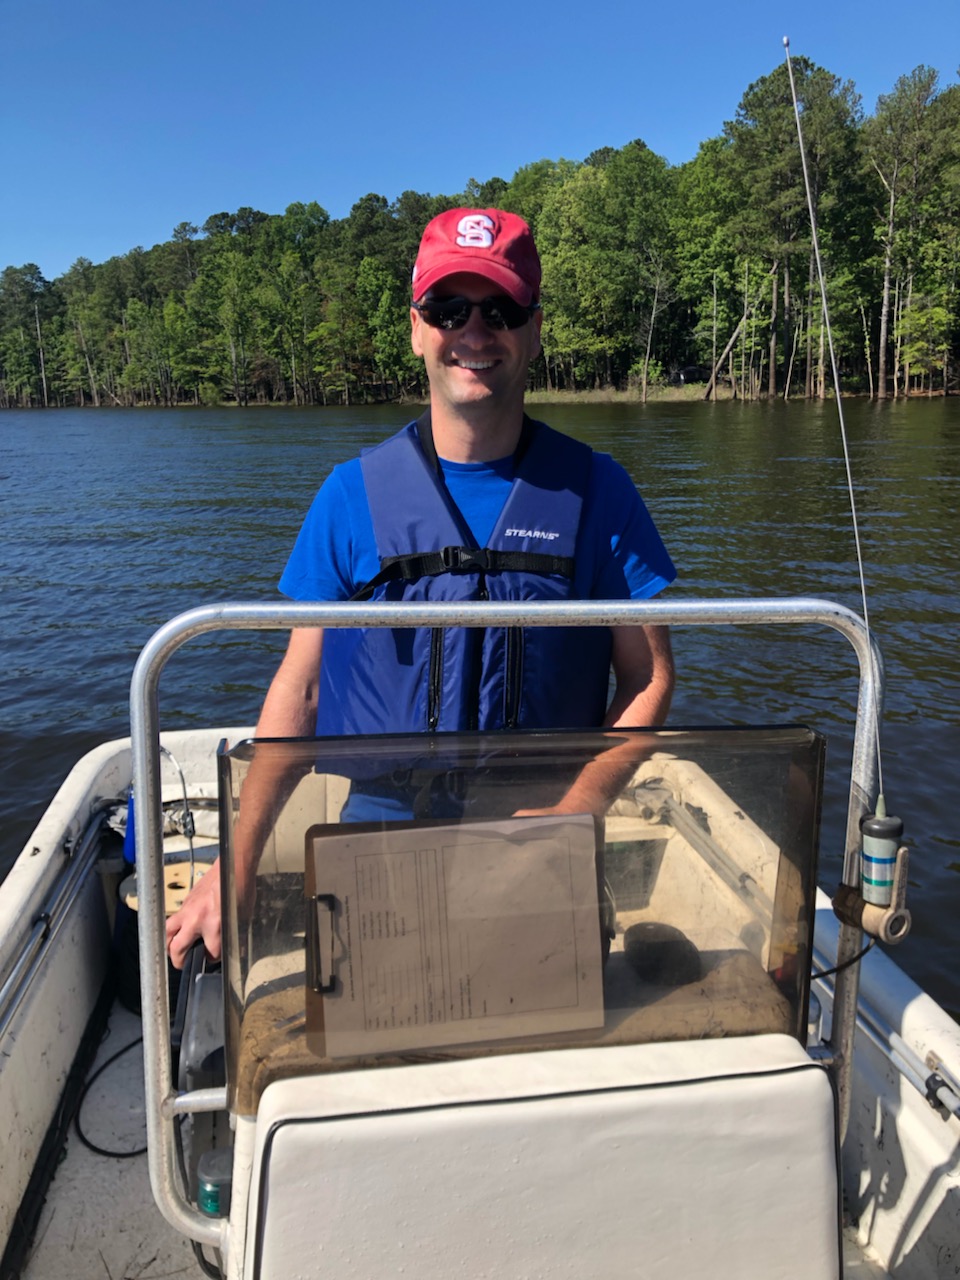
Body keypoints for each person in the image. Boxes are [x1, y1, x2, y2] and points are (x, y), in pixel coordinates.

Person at [165, 207, 676, 969]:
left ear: (533, 331)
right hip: (380, 827)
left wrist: (579, 808)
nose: (475, 331)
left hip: (538, 830)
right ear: (416, 329)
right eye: (449, 308)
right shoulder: (349, 497)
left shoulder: (600, 492)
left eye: (501, 309)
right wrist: (233, 862)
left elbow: (650, 677)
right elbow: (300, 694)